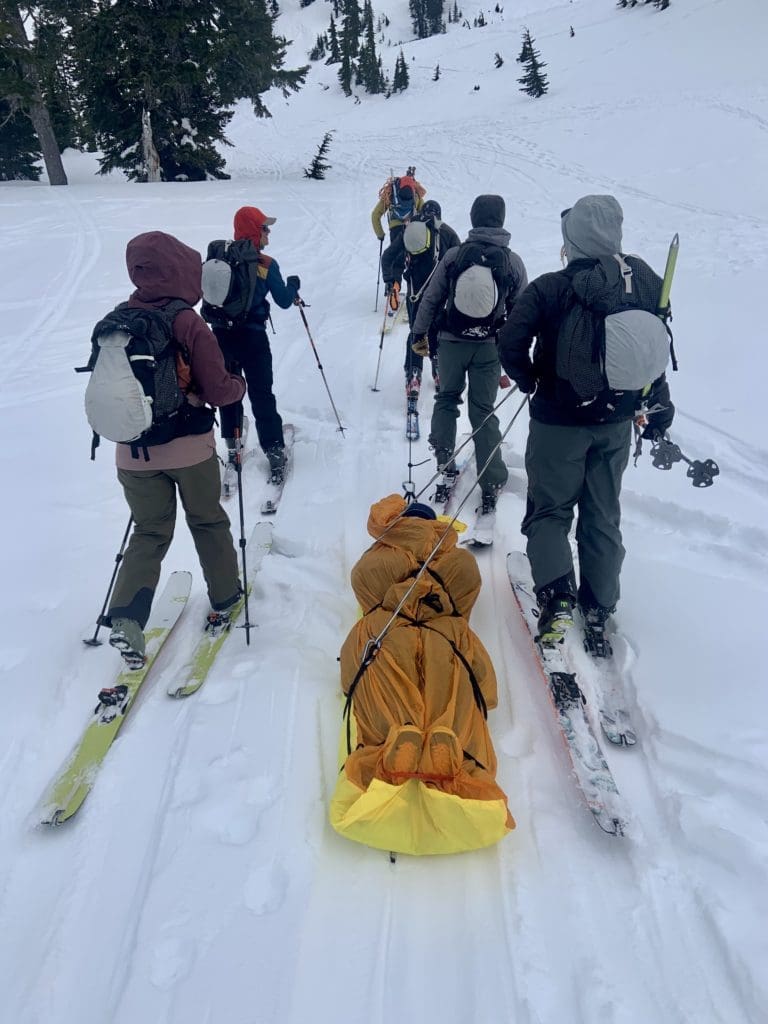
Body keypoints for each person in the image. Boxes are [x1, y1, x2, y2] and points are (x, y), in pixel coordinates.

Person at [497, 195, 674, 642]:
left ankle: (556, 598)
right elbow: (652, 349)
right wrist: (656, 402)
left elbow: (510, 341)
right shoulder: (644, 282)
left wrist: (530, 378)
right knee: (602, 512)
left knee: (551, 510)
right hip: (617, 421)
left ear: (570, 238)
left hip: (558, 420)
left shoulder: (550, 287)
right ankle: (600, 602)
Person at [330, 495, 514, 855]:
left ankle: (392, 747)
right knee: (454, 693)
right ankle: (454, 750)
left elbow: (352, 670)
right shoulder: (459, 561)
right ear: (437, 525)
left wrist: (353, 679)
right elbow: (483, 683)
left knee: (386, 688)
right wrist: (485, 693)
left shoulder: (373, 564)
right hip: (444, 632)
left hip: (385, 626)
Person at [106, 231, 247, 666]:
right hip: (188, 448)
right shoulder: (187, 320)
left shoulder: (117, 318)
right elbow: (218, 389)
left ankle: (127, 619)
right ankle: (225, 596)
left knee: (149, 532)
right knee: (207, 520)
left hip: (132, 451)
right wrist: (238, 386)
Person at [411, 194, 528, 514]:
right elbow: (522, 312)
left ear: (474, 218)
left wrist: (418, 334)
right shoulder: (512, 261)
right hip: (489, 346)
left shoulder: (453, 256)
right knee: (483, 411)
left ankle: (445, 463)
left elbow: (431, 299)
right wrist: (520, 350)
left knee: (446, 399)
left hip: (450, 342)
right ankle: (492, 479)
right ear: (501, 220)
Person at [211, 206, 301, 482]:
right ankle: (274, 451)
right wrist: (294, 285)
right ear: (254, 231)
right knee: (261, 394)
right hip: (253, 338)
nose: (268, 233)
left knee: (229, 392)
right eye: (265, 228)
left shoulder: (219, 260)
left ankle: (233, 448)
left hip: (221, 338)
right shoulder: (265, 265)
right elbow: (284, 300)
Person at [402, 198, 460, 396]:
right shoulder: (449, 232)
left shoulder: (411, 230)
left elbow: (391, 255)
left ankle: (413, 375)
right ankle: (438, 370)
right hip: (440, 294)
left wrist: (390, 278)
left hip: (414, 292)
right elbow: (460, 260)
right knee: (437, 330)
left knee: (415, 331)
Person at [371, 169, 426, 312]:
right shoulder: (415, 194)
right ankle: (415, 290)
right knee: (414, 260)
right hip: (412, 230)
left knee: (397, 259)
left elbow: (375, 215)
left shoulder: (391, 192)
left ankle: (394, 287)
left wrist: (380, 234)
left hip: (395, 229)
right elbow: (424, 212)